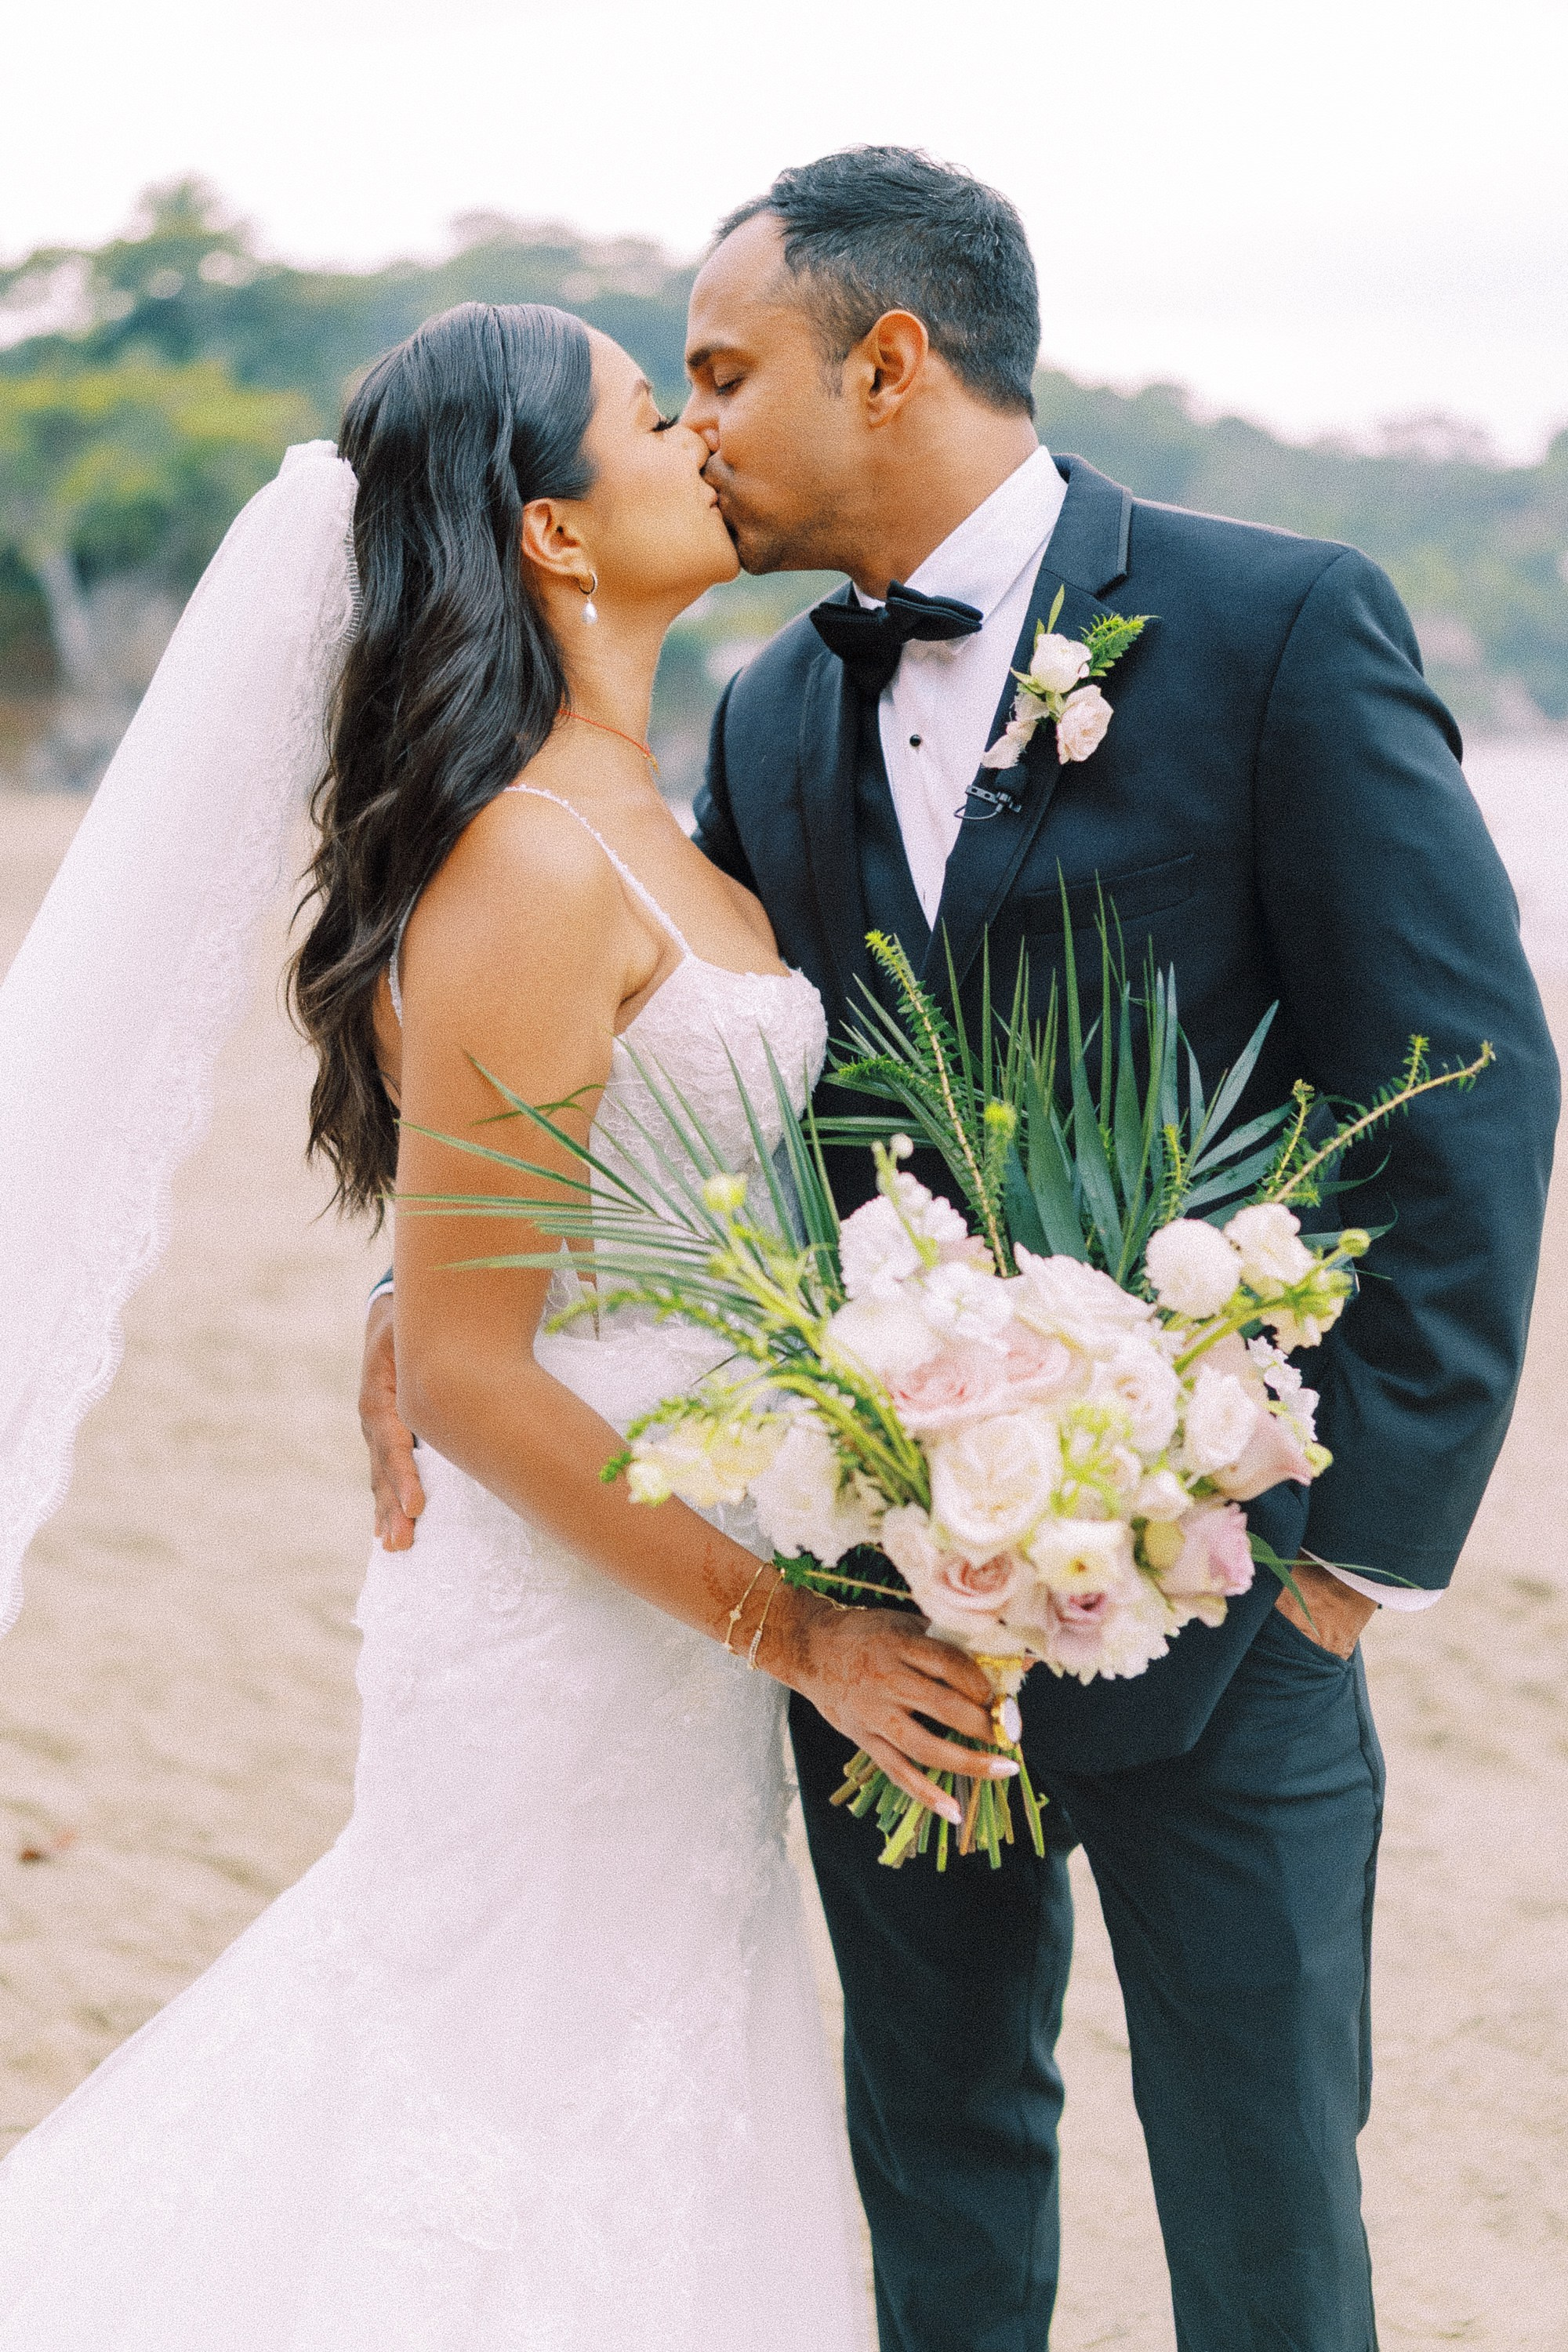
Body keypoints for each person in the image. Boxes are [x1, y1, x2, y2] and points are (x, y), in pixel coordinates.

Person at [354, 147, 1564, 2352]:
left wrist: (1348, 1563)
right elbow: (655, 1078)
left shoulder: (1278, 619)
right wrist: (421, 1290)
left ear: (888, 359)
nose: (697, 425)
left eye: (724, 372)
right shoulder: (776, 714)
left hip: (1230, 1603)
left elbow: (1473, 1083)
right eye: (673, 394)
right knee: (940, 2184)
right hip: (881, 1619)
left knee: (1272, 2217)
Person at [0, 298, 1012, 2347]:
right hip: (580, 1611)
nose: (703, 439)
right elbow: (467, 1371)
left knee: (637, 2106)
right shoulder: (538, 867)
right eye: (657, 415)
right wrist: (800, 1630)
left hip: (670, 1599)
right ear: (557, 532)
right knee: (488, 2117)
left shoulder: (651, 818)